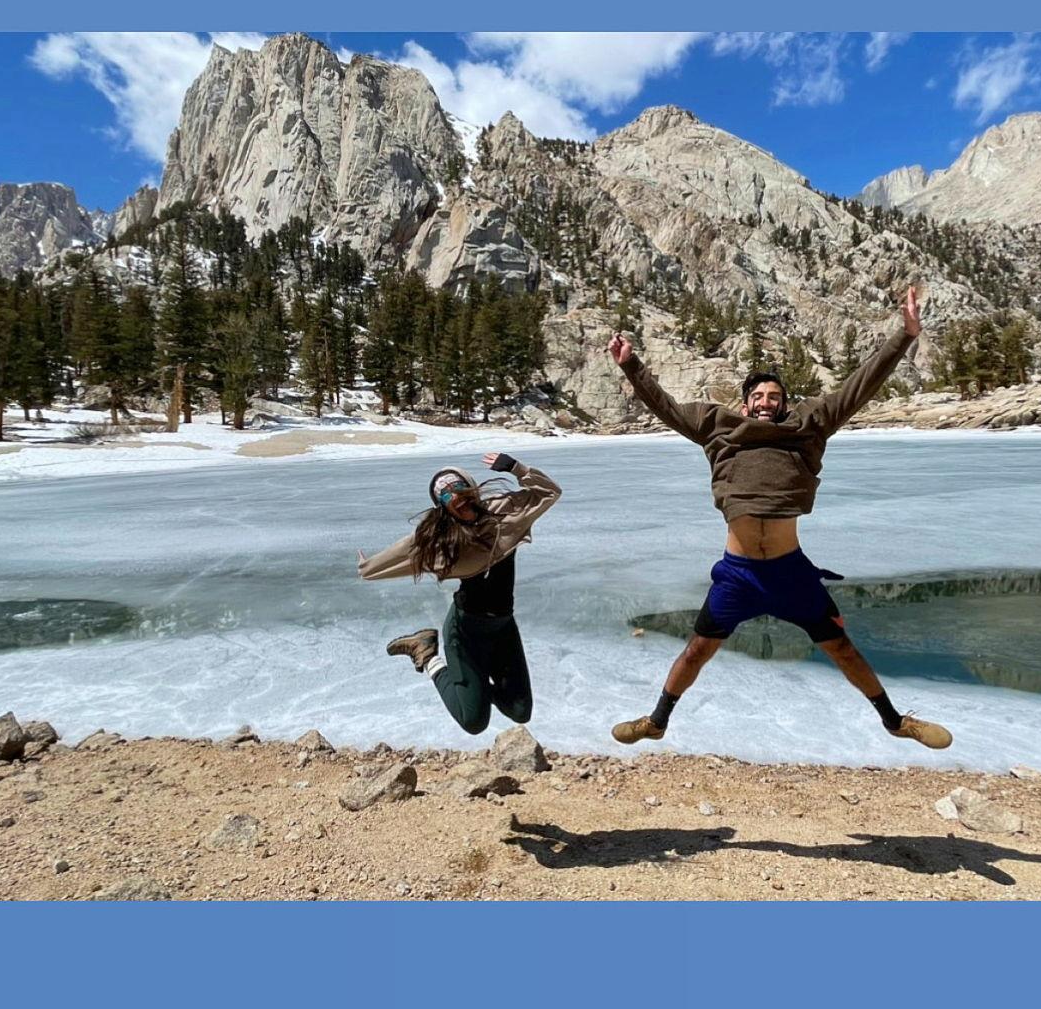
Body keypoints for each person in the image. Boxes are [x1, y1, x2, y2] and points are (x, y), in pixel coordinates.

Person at [607, 286, 952, 750]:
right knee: (696, 650)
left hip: (790, 572)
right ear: (745, 403)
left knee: (841, 649)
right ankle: (656, 720)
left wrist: (905, 335)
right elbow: (666, 407)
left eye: (775, 395)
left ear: (784, 403)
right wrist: (631, 364)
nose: (767, 401)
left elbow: (859, 385)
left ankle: (895, 721)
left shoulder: (808, 426)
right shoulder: (717, 427)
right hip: (739, 573)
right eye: (759, 396)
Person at [357, 451, 561, 735]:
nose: (455, 497)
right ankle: (426, 654)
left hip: (503, 626)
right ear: (443, 506)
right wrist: (369, 566)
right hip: (466, 630)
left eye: (458, 489)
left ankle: (471, 686)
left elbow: (549, 492)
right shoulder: (443, 539)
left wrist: (517, 468)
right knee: (474, 721)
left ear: (471, 488)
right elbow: (404, 552)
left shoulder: (506, 513)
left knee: (520, 711)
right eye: (446, 495)